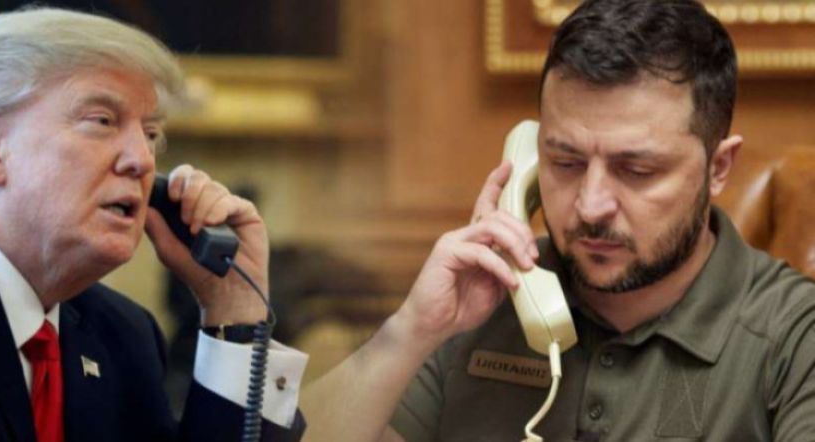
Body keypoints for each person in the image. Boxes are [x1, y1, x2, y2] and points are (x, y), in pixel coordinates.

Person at [300, 0, 815, 440]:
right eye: (565, 163)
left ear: (718, 167)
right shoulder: (485, 301)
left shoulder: (795, 337)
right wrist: (412, 330)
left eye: (636, 170)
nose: (590, 206)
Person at [0, 7, 307, 442]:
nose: (142, 160)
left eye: (150, 134)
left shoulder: (122, 336)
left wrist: (234, 310)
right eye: (102, 121)